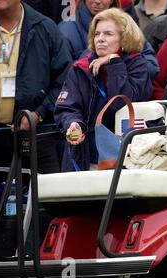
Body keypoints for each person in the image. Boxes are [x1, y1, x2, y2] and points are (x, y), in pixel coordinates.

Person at [54, 8, 153, 172]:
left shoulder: (137, 64)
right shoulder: (81, 68)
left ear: (124, 38)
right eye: (97, 34)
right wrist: (73, 123)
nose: (100, 39)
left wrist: (114, 63)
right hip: (86, 157)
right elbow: (66, 107)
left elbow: (123, 103)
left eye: (108, 34)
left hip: (128, 158)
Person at [0, 0, 72, 183]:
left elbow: (65, 81)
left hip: (37, 135)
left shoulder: (45, 28)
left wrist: (39, 114)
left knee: (46, 204)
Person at [58, 0, 158, 81]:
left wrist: (116, 60)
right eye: (97, 34)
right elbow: (64, 76)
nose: (97, 1)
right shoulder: (66, 30)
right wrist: (95, 55)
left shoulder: (128, 27)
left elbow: (152, 70)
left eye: (109, 34)